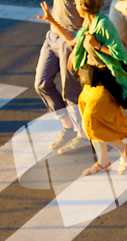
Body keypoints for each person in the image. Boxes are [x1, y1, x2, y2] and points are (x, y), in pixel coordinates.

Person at [38, 0, 127, 175]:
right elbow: (71, 40)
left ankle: (125, 150)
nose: (74, 6)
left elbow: (120, 52)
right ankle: (103, 162)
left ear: (84, 6)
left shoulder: (103, 23)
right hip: (91, 82)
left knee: (91, 124)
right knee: (88, 124)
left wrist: (97, 45)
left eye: (76, 3)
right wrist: (51, 20)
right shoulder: (87, 23)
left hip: (106, 82)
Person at [34, 0, 90, 155]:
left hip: (71, 38)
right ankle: (68, 127)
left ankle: (83, 136)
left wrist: (77, 43)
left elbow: (90, 12)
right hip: (53, 35)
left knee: (71, 91)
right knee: (41, 84)